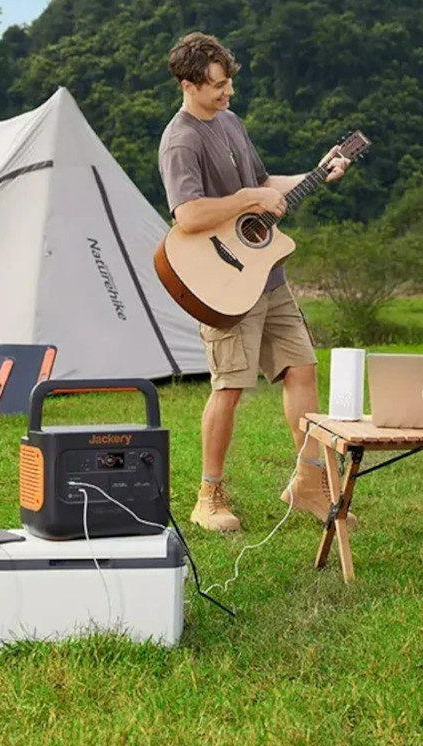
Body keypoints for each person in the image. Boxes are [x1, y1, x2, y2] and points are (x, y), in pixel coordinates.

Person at [157, 31, 357, 533]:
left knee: (302, 369)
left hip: (268, 274)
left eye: (228, 83)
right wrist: (248, 199)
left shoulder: (229, 123)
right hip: (223, 282)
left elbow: (265, 187)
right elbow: (189, 213)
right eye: (218, 86)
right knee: (229, 387)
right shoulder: (181, 140)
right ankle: (209, 495)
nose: (227, 93)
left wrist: (317, 173)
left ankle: (309, 484)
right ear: (188, 84)